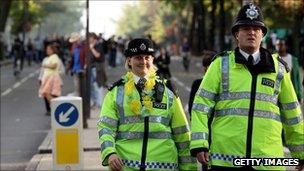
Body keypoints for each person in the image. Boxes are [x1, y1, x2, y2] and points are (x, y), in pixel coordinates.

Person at [190, 3, 304, 171]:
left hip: (267, 160)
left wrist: (300, 152)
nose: (251, 32)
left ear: (262, 34)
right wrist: (200, 144)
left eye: (256, 29)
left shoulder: (279, 69)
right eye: (245, 28)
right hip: (226, 159)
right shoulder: (220, 65)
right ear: (237, 34)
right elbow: (201, 105)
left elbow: (292, 114)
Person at [97, 38, 197, 171]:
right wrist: (110, 153)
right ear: (129, 61)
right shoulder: (115, 92)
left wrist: (189, 168)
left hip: (164, 167)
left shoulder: (168, 92)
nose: (143, 61)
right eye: (138, 57)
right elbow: (106, 127)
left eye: (147, 57)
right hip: (126, 167)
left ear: (152, 60)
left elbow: (183, 135)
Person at [276, 39, 303, 104]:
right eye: (278, 45)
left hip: (291, 91)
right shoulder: (272, 58)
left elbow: (297, 78)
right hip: (277, 93)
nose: (279, 46)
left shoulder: (293, 59)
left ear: (286, 46)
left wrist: (300, 95)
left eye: (281, 44)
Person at [38, 44, 62, 114]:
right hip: (48, 77)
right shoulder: (49, 58)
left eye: (48, 49)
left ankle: (55, 106)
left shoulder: (54, 56)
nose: (47, 51)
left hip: (52, 77)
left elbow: (54, 65)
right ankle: (53, 107)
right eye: (47, 49)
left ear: (52, 50)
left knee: (46, 92)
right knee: (47, 93)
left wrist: (45, 65)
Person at [88, 32, 107, 108]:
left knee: (98, 85)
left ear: (94, 38)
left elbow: (97, 55)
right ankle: (95, 102)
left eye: (90, 38)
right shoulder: (89, 46)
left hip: (97, 68)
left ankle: (100, 103)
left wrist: (92, 48)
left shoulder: (99, 45)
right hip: (91, 68)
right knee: (91, 86)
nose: (89, 39)